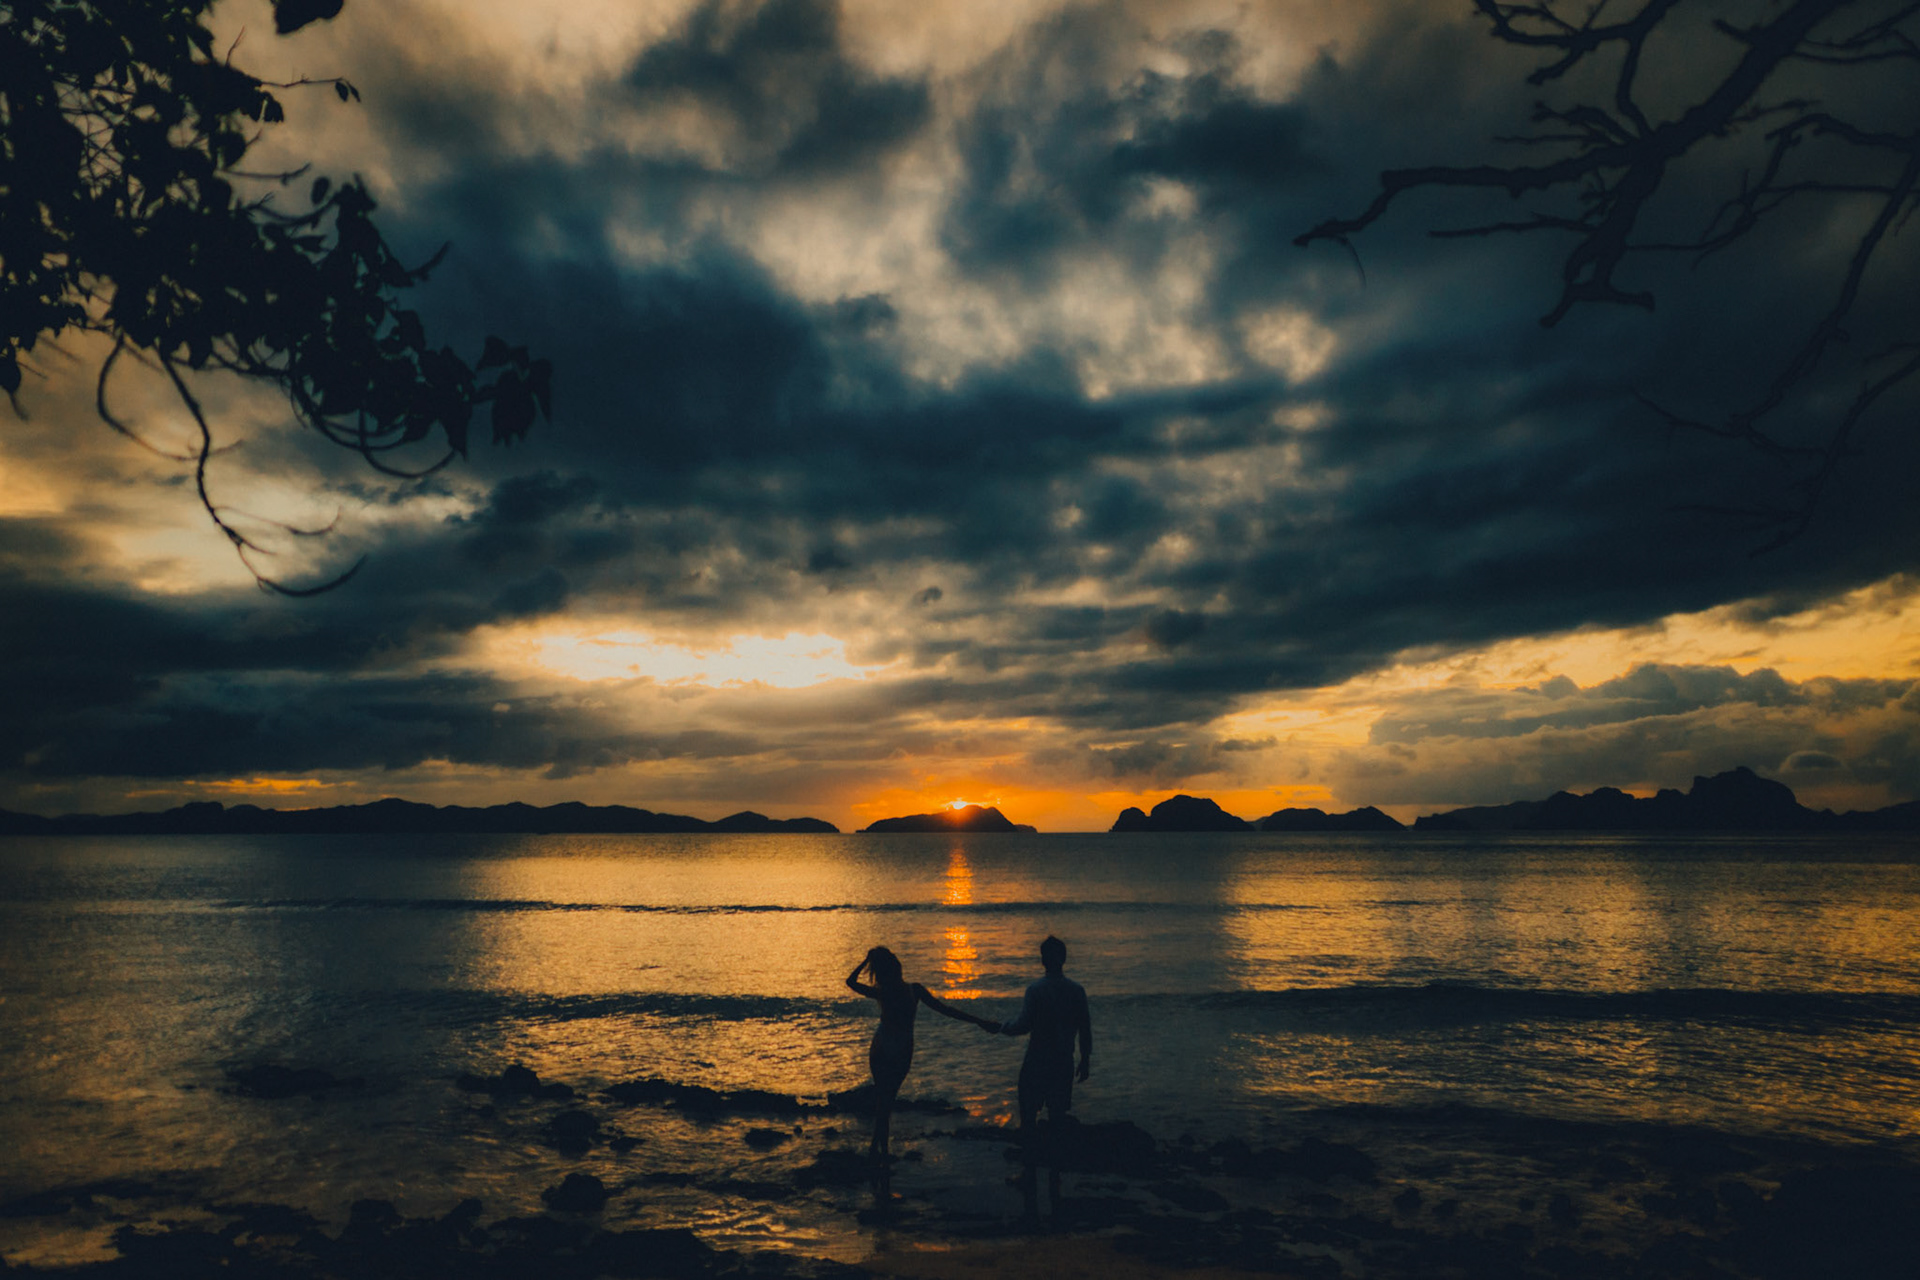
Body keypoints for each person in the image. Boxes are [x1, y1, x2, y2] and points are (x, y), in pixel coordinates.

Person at [846, 945, 1000, 1159]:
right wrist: (979, 1021)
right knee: (886, 1100)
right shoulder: (913, 990)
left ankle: (877, 1148)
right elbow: (946, 1010)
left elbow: (850, 982)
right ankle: (880, 1151)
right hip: (900, 1048)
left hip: (882, 1046)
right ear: (897, 969)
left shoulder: (884, 992)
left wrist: (865, 961)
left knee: (885, 1100)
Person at [999, 935, 1092, 1160]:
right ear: (1064, 959)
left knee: (1029, 1113)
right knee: (1057, 1115)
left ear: (1042, 960)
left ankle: (1030, 1167)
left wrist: (1002, 1027)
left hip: (1037, 1060)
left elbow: (1023, 1025)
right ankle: (1055, 1174)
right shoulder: (1076, 990)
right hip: (1063, 1060)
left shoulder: (1036, 990)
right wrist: (1085, 1059)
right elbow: (1085, 1028)